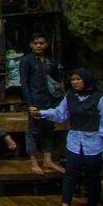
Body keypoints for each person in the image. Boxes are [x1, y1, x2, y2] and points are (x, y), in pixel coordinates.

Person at [30, 68, 103, 206]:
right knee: (70, 174)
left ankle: (91, 205)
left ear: (86, 80)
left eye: (78, 79)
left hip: (94, 143)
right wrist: (41, 113)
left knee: (92, 176)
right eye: (73, 80)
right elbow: (60, 113)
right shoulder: (70, 96)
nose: (75, 82)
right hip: (75, 141)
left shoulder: (101, 99)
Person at [20, 32, 65, 174]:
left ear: (47, 44)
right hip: (35, 101)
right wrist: (30, 104)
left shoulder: (51, 61)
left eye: (42, 43)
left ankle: (47, 160)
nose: (39, 45)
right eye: (36, 43)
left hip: (50, 101)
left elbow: (58, 82)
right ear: (31, 45)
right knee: (33, 131)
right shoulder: (27, 61)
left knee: (49, 130)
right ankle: (33, 162)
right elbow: (24, 83)